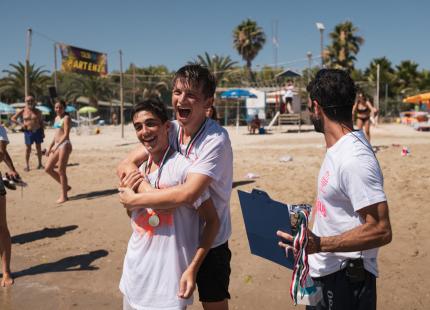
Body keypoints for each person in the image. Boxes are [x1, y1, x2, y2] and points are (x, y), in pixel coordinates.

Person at [117, 64, 233, 310]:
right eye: (177, 91)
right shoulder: (172, 128)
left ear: (208, 103)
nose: (181, 99)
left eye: (191, 94)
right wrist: (141, 184)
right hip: (177, 239)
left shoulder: (215, 139)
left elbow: (188, 193)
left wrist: (136, 198)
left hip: (209, 240)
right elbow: (127, 163)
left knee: (214, 304)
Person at [277, 69, 392, 310]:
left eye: (310, 107)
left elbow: (381, 230)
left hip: (346, 280)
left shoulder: (354, 158)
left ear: (316, 108)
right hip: (322, 271)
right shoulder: (338, 149)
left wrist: (320, 244)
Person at [44, 99, 72, 203]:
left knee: (61, 170)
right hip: (57, 145)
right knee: (48, 168)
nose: (58, 109)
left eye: (60, 107)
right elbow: (56, 134)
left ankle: (64, 196)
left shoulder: (66, 118)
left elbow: (66, 135)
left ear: (64, 108)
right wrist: (50, 146)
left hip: (64, 145)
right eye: (56, 107)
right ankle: (66, 186)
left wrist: (57, 146)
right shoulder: (56, 118)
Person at [0, 124, 17, 287]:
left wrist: (12, 169)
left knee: (1, 226)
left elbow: (0, 154)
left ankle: (6, 271)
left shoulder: (0, 129)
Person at [11, 95, 44, 171]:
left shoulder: (38, 111)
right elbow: (13, 118)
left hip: (38, 131)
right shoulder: (23, 111)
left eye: (32, 100)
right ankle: (27, 165)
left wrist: (43, 132)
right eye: (28, 101)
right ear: (25, 102)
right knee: (28, 149)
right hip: (28, 132)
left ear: (34, 101)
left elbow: (41, 122)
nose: (30, 102)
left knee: (38, 148)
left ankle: (40, 164)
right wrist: (21, 124)